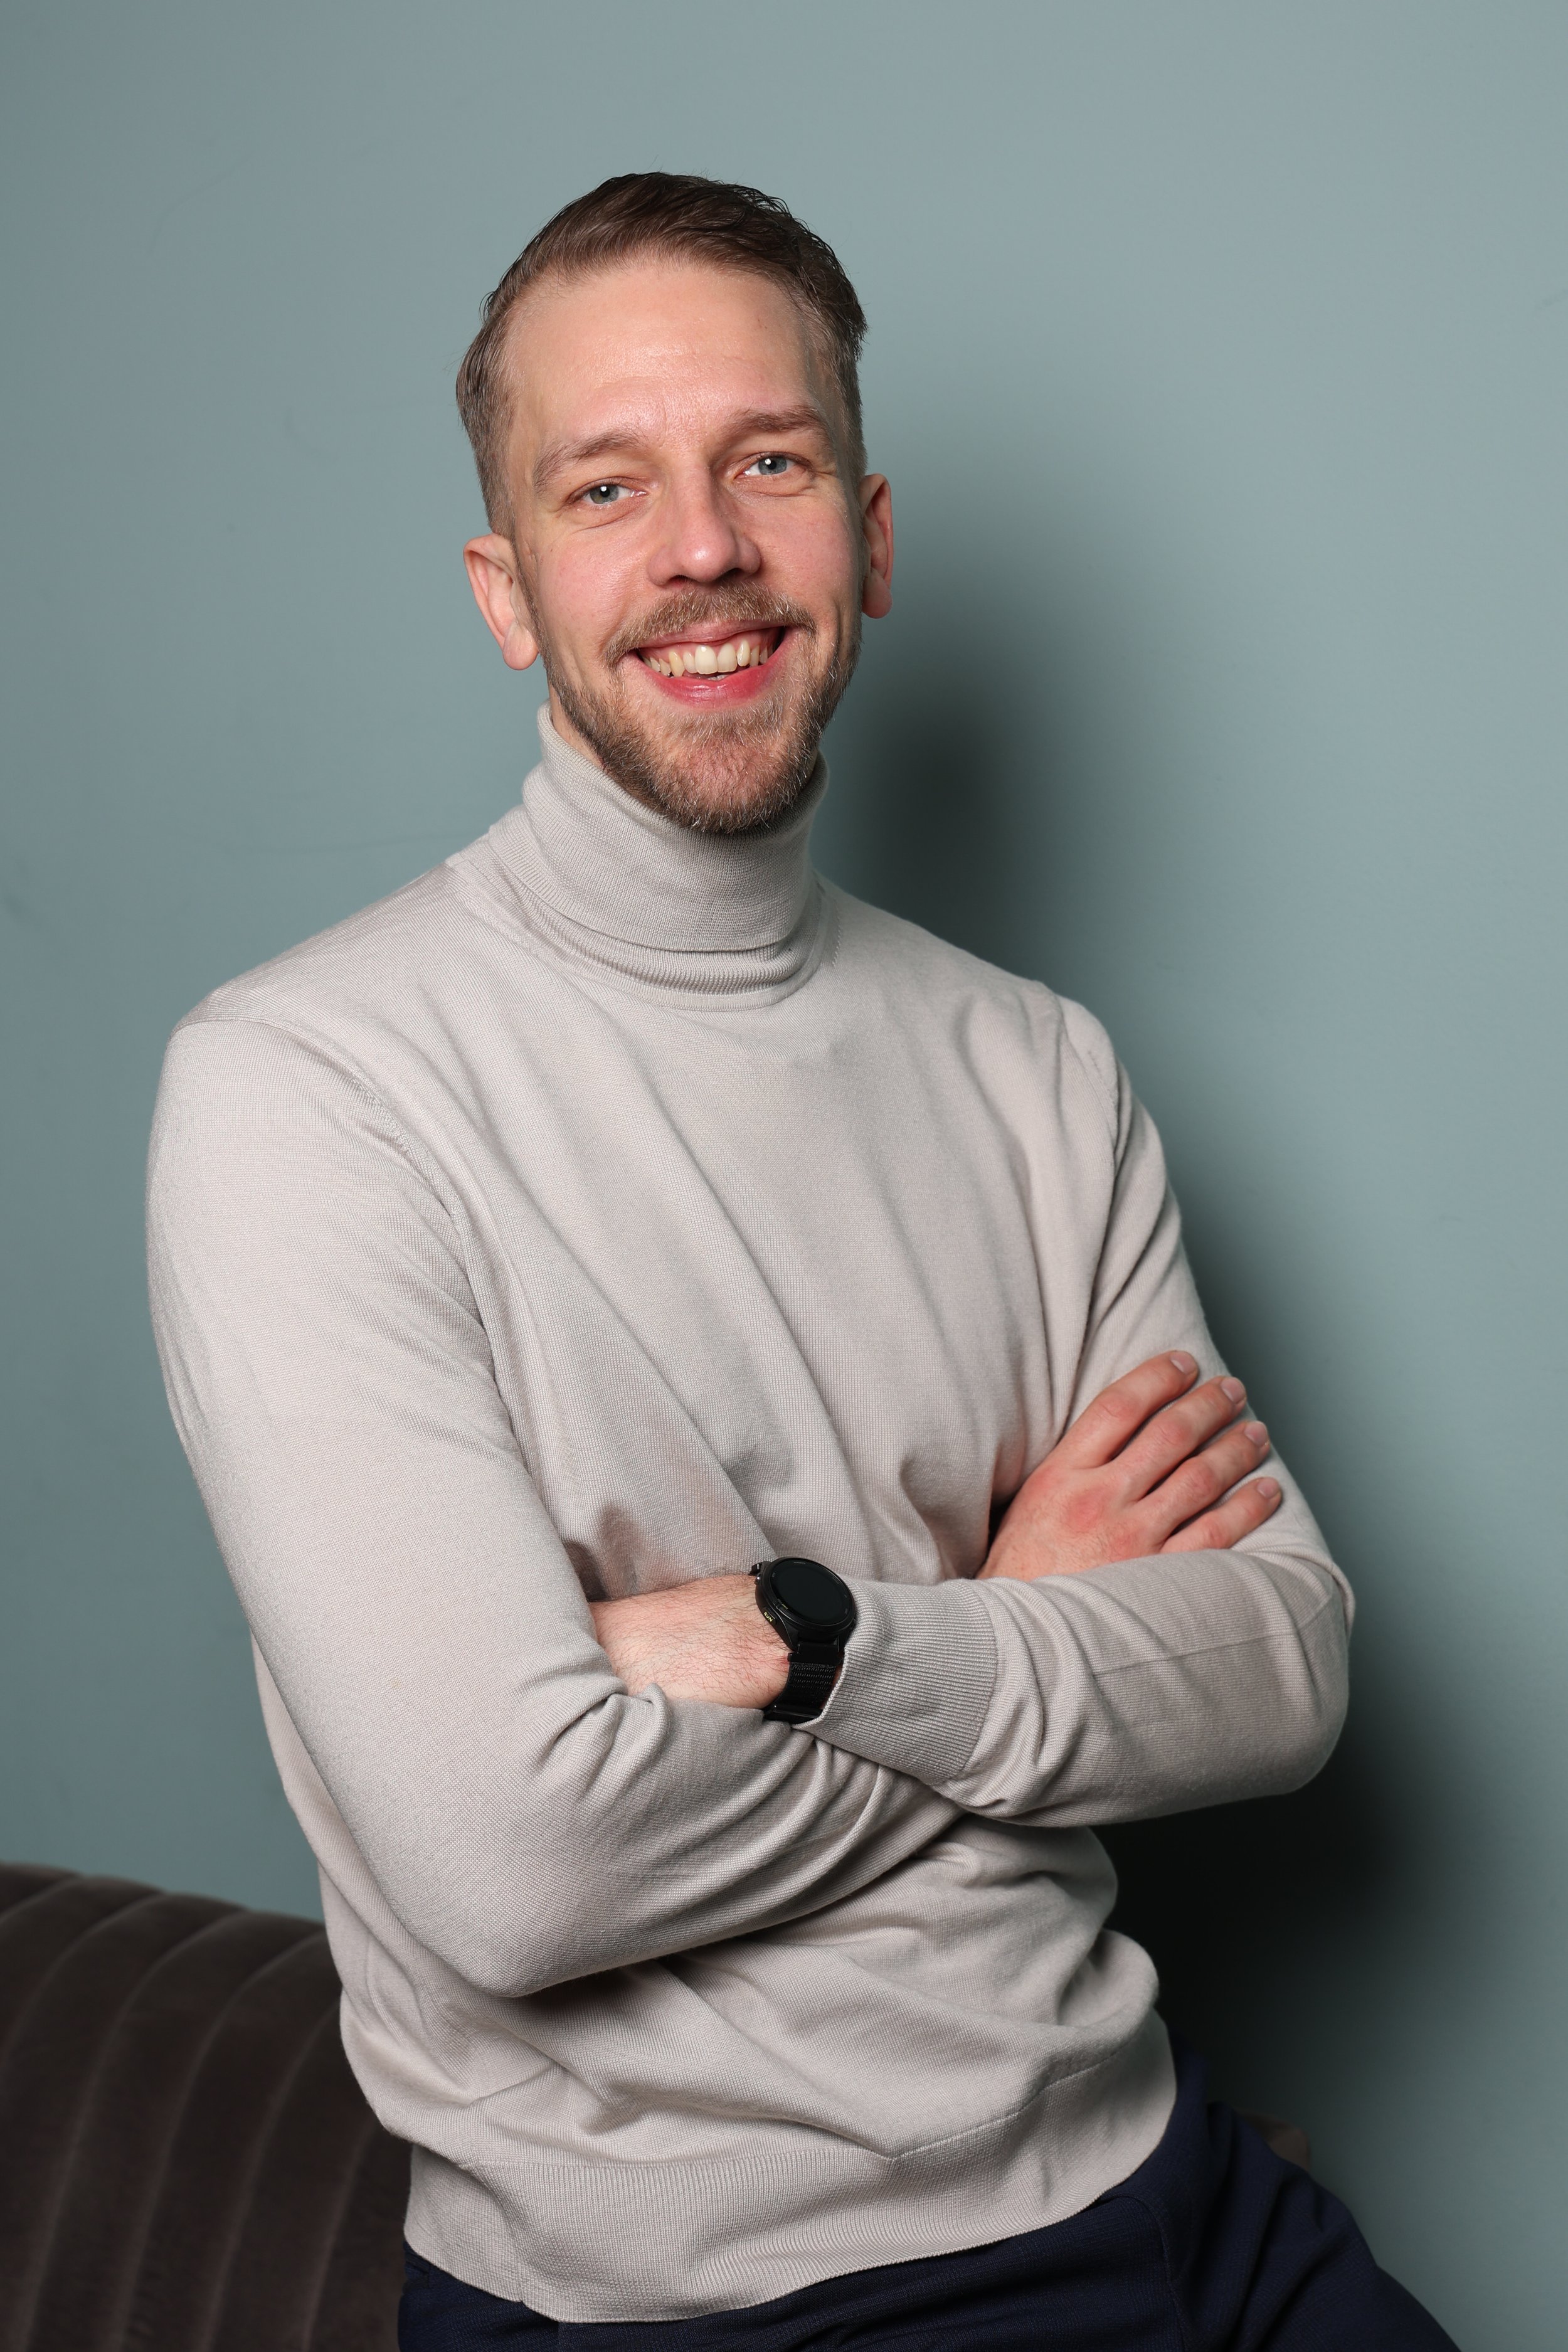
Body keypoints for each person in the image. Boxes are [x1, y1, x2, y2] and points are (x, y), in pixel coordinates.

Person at [146, 173, 1456, 2349]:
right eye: (605, 485)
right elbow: (517, 1869)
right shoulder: (307, 1088)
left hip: (1175, 2193)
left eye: (765, 463)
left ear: (866, 529)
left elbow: (1280, 1664)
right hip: (716, 2309)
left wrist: (819, 1642)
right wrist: (1028, 1631)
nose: (701, 552)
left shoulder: (1036, 1066)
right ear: (506, 588)